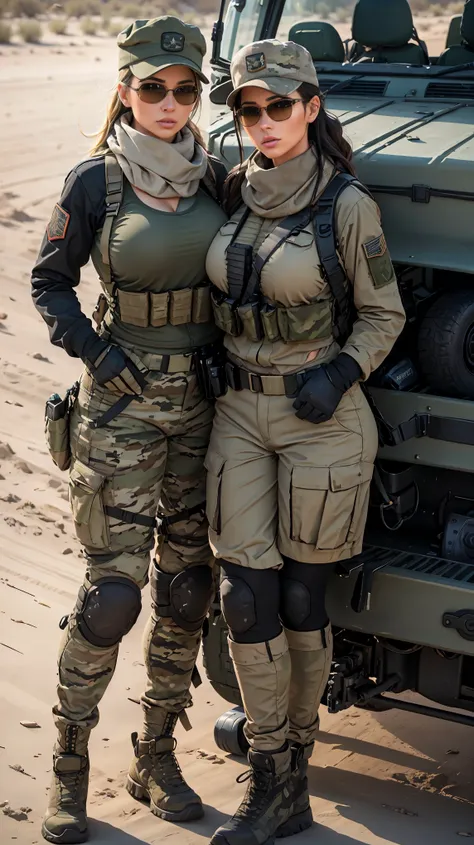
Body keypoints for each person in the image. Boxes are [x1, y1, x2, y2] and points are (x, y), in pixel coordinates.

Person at [204, 39, 406, 845]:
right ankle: (270, 769)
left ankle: (294, 782)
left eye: (278, 106)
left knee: (296, 600)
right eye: (248, 109)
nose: (263, 122)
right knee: (242, 598)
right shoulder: (234, 187)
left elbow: (385, 313)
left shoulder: (347, 204)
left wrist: (343, 370)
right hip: (239, 417)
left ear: (312, 109)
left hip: (323, 419)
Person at [31, 16, 227, 844]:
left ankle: (155, 755)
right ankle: (69, 772)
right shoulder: (94, 183)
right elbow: (50, 284)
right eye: (153, 87)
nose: (170, 103)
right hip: (119, 407)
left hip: (202, 411)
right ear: (126, 90)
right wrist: (96, 351)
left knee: (187, 591)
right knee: (112, 597)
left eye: (186, 89)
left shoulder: (222, 177)